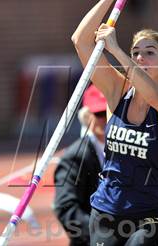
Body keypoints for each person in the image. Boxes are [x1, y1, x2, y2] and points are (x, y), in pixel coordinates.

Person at [71, 0, 158, 246]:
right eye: (136, 52)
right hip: (106, 210)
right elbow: (81, 41)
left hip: (151, 216)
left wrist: (117, 51)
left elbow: (152, 94)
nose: (140, 56)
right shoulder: (117, 91)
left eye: (149, 52)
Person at [53, 84, 107, 246]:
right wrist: (101, 237)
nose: (106, 119)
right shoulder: (75, 156)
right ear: (87, 116)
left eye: (111, 112)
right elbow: (66, 208)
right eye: (100, 113)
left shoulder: (122, 149)